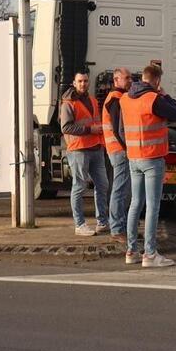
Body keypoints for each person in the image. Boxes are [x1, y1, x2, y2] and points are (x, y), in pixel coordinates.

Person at [119, 63, 176, 268]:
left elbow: (120, 129)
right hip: (152, 158)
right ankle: (150, 254)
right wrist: (165, 95)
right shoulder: (154, 99)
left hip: (133, 157)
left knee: (135, 204)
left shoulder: (125, 98)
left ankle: (131, 251)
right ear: (156, 81)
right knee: (153, 206)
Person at [60, 71, 109, 236]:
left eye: (85, 81)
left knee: (102, 185)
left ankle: (102, 222)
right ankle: (79, 225)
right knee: (79, 187)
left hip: (96, 147)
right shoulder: (68, 103)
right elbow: (66, 127)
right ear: (74, 83)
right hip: (79, 149)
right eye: (80, 81)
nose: (83, 84)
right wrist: (90, 129)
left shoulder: (93, 101)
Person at [102, 67, 132, 244]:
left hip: (118, 150)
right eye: (126, 78)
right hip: (119, 151)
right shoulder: (115, 99)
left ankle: (121, 227)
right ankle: (117, 229)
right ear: (116, 80)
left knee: (122, 189)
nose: (130, 81)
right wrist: (126, 147)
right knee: (120, 190)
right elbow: (117, 128)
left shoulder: (119, 97)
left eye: (130, 78)